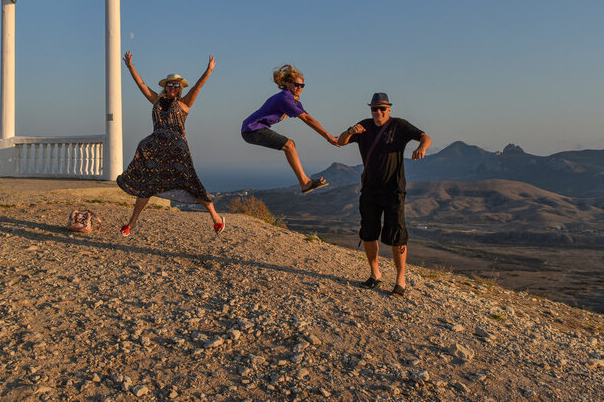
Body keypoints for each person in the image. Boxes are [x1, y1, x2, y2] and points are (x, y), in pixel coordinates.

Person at [117, 51, 225, 236]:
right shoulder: (156, 101)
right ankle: (132, 222)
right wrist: (130, 66)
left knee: (191, 182)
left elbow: (198, 87)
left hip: (177, 150)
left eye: (176, 85)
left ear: (180, 88)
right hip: (156, 148)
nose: (173, 87)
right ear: (165, 87)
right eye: (170, 85)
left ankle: (216, 218)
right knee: (148, 183)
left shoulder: (184, 103)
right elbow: (141, 85)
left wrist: (209, 70)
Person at [337, 92, 432, 296]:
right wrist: (350, 130)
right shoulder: (363, 126)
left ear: (389, 109)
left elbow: (426, 137)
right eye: (374, 108)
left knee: (397, 234)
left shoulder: (399, 125)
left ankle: (400, 279)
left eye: (382, 108)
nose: (378, 112)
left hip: (394, 189)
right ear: (370, 109)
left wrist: (422, 147)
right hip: (370, 189)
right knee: (369, 232)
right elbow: (341, 142)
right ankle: (375, 274)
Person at [241, 64, 339, 194]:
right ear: (287, 83)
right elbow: (307, 119)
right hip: (252, 129)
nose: (299, 88)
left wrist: (329, 136)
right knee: (289, 145)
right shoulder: (285, 98)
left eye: (302, 86)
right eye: (296, 84)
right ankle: (305, 183)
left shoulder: (293, 101)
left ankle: (305, 183)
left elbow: (309, 117)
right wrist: (329, 137)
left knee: (290, 145)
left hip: (253, 129)